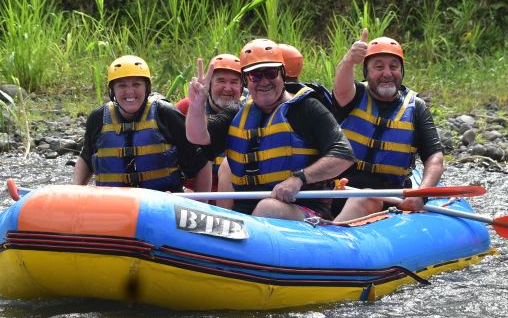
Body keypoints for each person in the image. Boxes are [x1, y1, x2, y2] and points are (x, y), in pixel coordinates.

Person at [186, 39, 354, 221]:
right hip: (248, 215)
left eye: (271, 73)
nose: (264, 81)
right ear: (245, 82)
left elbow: (344, 154)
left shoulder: (307, 108)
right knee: (228, 166)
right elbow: (198, 137)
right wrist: (197, 105)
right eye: (255, 76)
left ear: (282, 74)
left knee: (268, 207)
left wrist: (299, 179)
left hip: (303, 210)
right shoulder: (238, 112)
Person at [331, 30, 444, 221]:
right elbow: (340, 88)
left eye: (394, 66)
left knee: (365, 198)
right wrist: (349, 60)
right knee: (362, 197)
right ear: (367, 72)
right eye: (378, 67)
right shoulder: (354, 95)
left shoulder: (416, 107)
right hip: (339, 191)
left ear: (402, 71)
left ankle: (335, 236)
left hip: (391, 199)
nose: (387, 73)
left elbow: (434, 159)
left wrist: (421, 195)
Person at [72, 55, 212, 192]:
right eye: (122, 85)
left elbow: (201, 164)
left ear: (147, 87)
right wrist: (75, 193)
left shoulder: (165, 114)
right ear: (112, 90)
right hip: (113, 205)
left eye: (136, 84)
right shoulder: (98, 118)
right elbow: (86, 159)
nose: (130, 92)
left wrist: (201, 205)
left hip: (162, 205)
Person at [175, 53, 246, 195]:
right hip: (194, 195)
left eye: (234, 82)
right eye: (220, 81)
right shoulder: (186, 107)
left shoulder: (249, 111)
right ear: (210, 83)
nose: (227, 88)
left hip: (236, 196)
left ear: (242, 86)